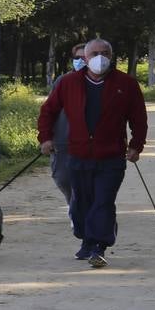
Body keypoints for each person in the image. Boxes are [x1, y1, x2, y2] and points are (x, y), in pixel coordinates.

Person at [38, 39, 148, 268]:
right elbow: (48, 111)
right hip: (78, 155)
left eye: (105, 52)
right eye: (95, 53)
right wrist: (46, 138)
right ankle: (87, 240)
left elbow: (139, 118)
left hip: (111, 156)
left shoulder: (126, 84)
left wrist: (137, 145)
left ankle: (99, 246)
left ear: (112, 55)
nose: (100, 57)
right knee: (80, 204)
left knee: (103, 201)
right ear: (85, 59)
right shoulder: (68, 83)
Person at [49, 42, 88, 215]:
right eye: (77, 58)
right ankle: (74, 205)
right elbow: (49, 110)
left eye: (85, 58)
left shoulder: (102, 82)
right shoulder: (62, 81)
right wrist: (46, 137)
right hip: (63, 141)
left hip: (90, 143)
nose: (81, 61)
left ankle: (83, 212)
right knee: (63, 179)